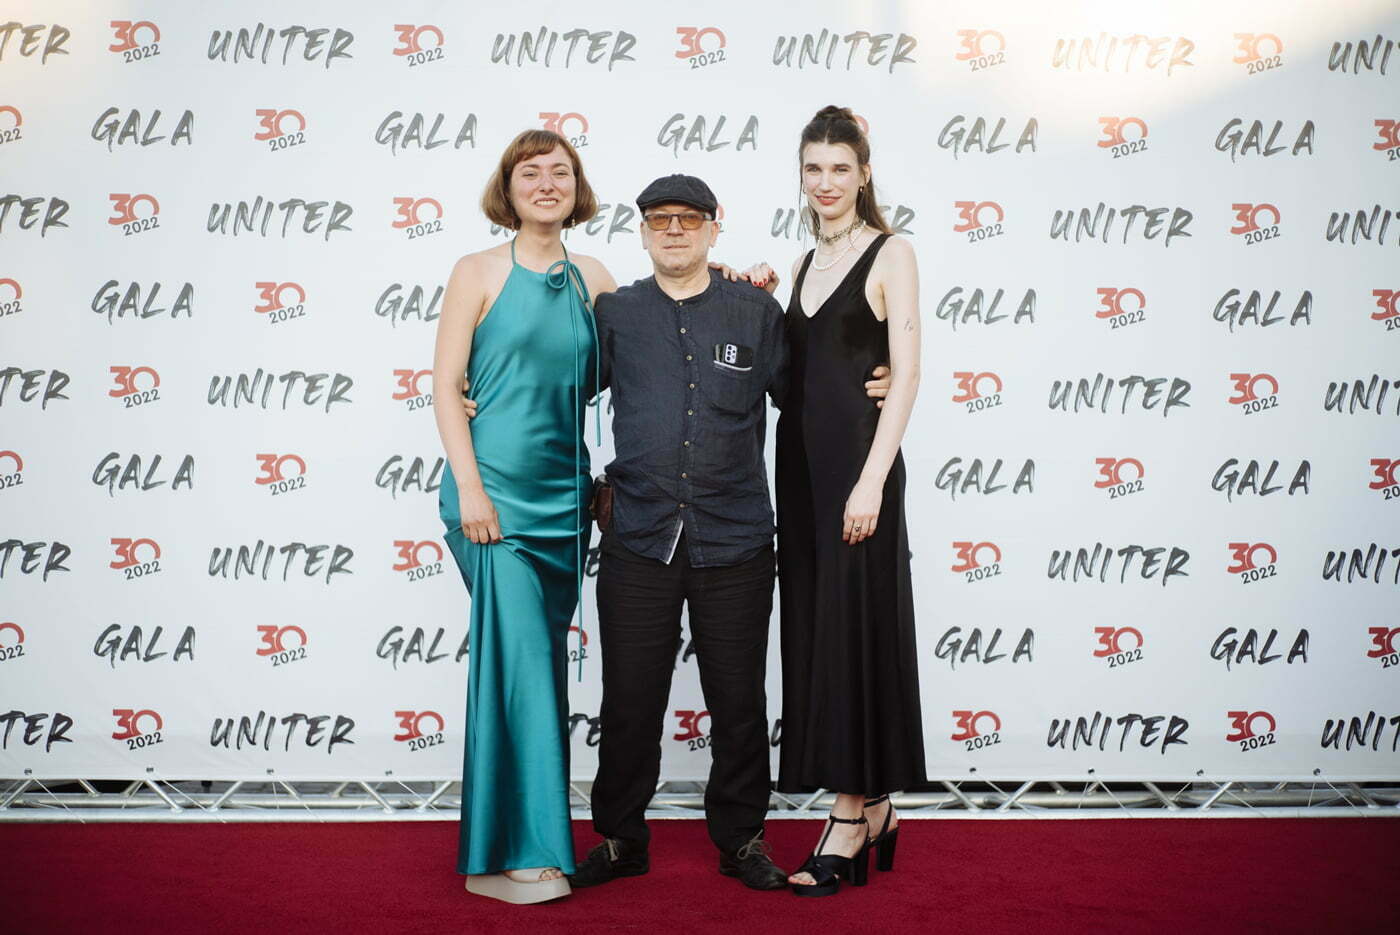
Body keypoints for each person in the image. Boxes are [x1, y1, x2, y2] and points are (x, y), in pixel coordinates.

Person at [566, 174, 793, 892]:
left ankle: (742, 841)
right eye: (659, 219)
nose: (673, 230)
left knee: (739, 703)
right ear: (641, 232)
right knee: (629, 702)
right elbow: (563, 388)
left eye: (688, 219)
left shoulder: (756, 310)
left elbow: (806, 399)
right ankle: (621, 840)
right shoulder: (616, 312)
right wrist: (477, 387)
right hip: (639, 537)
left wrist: (877, 377)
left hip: (737, 540)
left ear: (714, 228)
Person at [431, 128, 616, 905]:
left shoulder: (595, 277)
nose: (547, 182)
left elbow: (648, 362)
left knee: (529, 669)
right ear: (507, 189)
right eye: (530, 172)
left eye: (560, 171)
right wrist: (471, 489)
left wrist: (733, 284)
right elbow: (445, 387)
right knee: (525, 668)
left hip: (565, 504)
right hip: (493, 499)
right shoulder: (475, 271)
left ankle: (496, 847)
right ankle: (532, 849)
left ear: (578, 187)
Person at [751, 105, 925, 897]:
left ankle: (849, 817)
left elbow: (906, 373)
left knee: (857, 634)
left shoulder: (892, 252)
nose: (825, 183)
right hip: (798, 473)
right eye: (813, 169)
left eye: (839, 168)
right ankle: (879, 805)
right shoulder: (799, 264)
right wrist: (759, 302)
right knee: (820, 635)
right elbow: (794, 379)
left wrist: (872, 480)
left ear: (864, 174)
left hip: (858, 469)